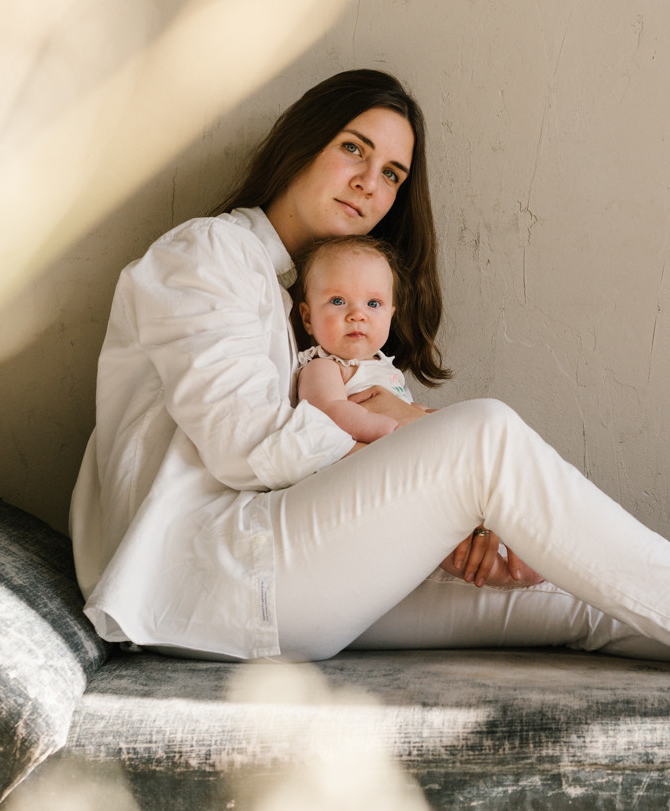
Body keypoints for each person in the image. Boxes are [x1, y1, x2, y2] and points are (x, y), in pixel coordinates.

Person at [70, 68, 670, 663]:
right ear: (299, 146)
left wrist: (453, 513)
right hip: (217, 574)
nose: (368, 184)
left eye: (391, 174)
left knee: (582, 592)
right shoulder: (209, 253)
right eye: (353, 148)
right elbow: (245, 444)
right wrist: (414, 440)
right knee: (483, 436)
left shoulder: (321, 307)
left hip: (298, 569)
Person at [294, 234, 416, 443]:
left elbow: (407, 409)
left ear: (390, 316)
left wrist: (430, 415)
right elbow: (329, 412)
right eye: (338, 300)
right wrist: (393, 429)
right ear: (308, 318)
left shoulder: (386, 368)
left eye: (373, 304)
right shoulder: (325, 367)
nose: (357, 315)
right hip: (373, 456)